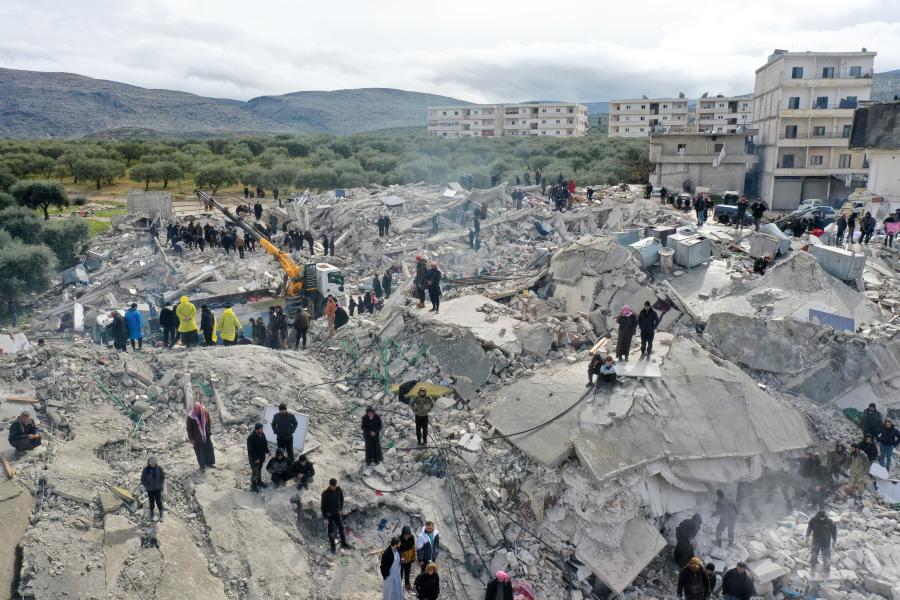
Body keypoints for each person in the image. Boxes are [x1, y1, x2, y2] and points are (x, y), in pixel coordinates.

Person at [321, 478, 351, 553]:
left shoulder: (338, 490)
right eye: (333, 486)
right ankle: (333, 546)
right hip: (329, 515)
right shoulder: (325, 493)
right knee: (331, 531)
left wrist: (340, 508)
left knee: (341, 528)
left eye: (335, 485)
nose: (334, 487)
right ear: (330, 485)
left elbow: (341, 498)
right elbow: (323, 506)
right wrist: (325, 517)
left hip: (337, 513)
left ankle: (343, 543)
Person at [186, 402, 215, 469]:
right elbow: (189, 429)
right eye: (195, 408)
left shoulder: (205, 413)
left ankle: (210, 463)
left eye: (198, 408)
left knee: (209, 448)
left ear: (200, 407)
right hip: (197, 437)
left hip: (206, 435)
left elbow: (209, 422)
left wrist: (208, 430)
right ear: (194, 408)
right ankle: (202, 466)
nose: (197, 410)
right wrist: (191, 439)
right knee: (200, 452)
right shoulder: (190, 417)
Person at [140, 456, 165, 522]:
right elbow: (142, 479)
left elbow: (163, 477)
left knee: (159, 501)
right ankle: (152, 513)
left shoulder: (159, 468)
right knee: (151, 502)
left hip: (158, 488)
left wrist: (160, 484)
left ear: (156, 463)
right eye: (151, 463)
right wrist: (147, 486)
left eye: (154, 463)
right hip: (150, 490)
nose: (153, 465)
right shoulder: (146, 470)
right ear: (149, 463)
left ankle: (161, 514)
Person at [247, 422, 270, 492]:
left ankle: (259, 482)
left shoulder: (262, 435)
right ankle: (253, 485)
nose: (262, 430)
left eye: (262, 428)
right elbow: (250, 450)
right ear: (257, 430)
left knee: (259, 470)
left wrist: (267, 451)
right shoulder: (251, 438)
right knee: (254, 472)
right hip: (254, 459)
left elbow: (265, 444)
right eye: (261, 429)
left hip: (261, 457)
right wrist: (255, 459)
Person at [398, 526, 417, 591]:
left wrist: (413, 557)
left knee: (407, 572)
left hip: (409, 560)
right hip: (402, 560)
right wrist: (400, 557)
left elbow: (413, 548)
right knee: (400, 572)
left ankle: (407, 584)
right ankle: (399, 585)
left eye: (408, 535)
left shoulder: (412, 538)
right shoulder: (399, 539)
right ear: (403, 534)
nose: (407, 537)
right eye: (405, 535)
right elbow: (397, 550)